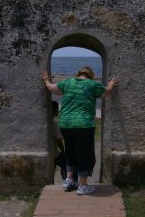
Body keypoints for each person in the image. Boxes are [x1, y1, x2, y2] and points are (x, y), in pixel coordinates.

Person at [41, 66, 118, 195]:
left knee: (70, 152)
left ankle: (69, 180)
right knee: (85, 155)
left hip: (65, 124)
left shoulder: (68, 82)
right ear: (91, 75)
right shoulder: (92, 85)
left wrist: (46, 80)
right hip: (83, 125)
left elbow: (52, 88)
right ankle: (82, 186)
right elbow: (107, 93)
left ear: (78, 74)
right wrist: (110, 85)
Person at [52, 100, 78, 183]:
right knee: (69, 163)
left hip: (53, 153)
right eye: (56, 109)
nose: (57, 111)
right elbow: (59, 140)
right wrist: (63, 151)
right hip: (55, 154)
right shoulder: (54, 124)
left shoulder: (49, 123)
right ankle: (70, 181)